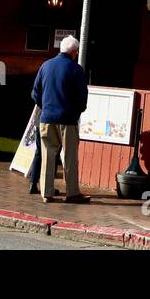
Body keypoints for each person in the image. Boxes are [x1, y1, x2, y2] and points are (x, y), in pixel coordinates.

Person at [30, 35, 90, 204]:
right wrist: (77, 111)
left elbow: (35, 92)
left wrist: (46, 106)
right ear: (73, 52)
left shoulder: (45, 65)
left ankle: (47, 193)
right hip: (67, 119)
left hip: (46, 117)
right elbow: (82, 96)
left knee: (48, 156)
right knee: (70, 157)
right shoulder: (75, 69)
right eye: (76, 52)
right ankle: (72, 193)